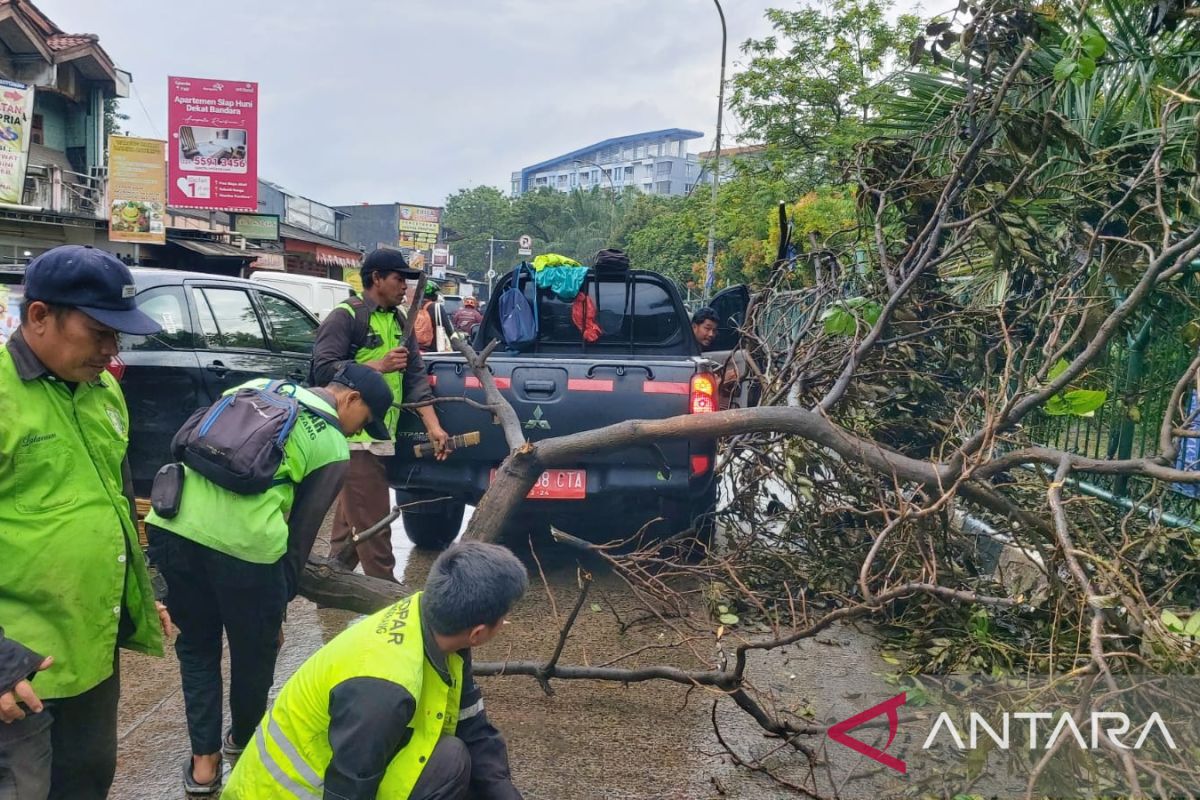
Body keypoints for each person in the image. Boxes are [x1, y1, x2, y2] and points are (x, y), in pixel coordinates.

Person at [144, 363, 395, 795]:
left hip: (174, 528)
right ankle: (242, 744)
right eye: (365, 421)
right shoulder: (332, 442)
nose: (358, 433)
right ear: (351, 399)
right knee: (254, 653)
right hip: (246, 553)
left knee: (198, 647)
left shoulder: (257, 386)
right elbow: (300, 537)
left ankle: (203, 768)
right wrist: (277, 606)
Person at [0, 245, 169, 799]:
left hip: (93, 653)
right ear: (39, 317)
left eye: (118, 335)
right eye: (99, 331)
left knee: (88, 781)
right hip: (20, 673)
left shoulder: (104, 391)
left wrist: (143, 591)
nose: (111, 350)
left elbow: (117, 502)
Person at [223, 541, 527, 800]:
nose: (504, 624)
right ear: (477, 633)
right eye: (503, 618)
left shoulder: (436, 622)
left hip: (339, 768)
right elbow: (348, 788)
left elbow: (474, 728)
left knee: (456, 757)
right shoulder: (384, 687)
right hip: (298, 792)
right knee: (450, 761)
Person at [311, 248, 451, 582]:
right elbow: (322, 371)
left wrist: (434, 426)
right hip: (353, 439)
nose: (405, 286)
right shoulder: (346, 316)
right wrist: (379, 365)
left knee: (349, 523)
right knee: (374, 527)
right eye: (399, 278)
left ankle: (330, 588)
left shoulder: (400, 320)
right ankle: (388, 601)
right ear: (376, 278)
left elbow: (415, 378)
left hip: (379, 436)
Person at [414, 282, 455, 353]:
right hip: (434, 351)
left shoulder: (414, 307)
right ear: (433, 294)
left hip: (415, 350)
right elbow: (449, 330)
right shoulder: (436, 307)